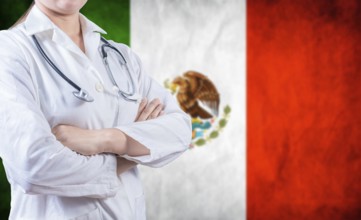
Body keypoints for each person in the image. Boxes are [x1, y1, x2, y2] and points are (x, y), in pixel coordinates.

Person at [0, 0, 191, 219]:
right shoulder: (9, 50)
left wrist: (107, 139)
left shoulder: (121, 56)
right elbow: (33, 165)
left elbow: (180, 130)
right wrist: (131, 153)